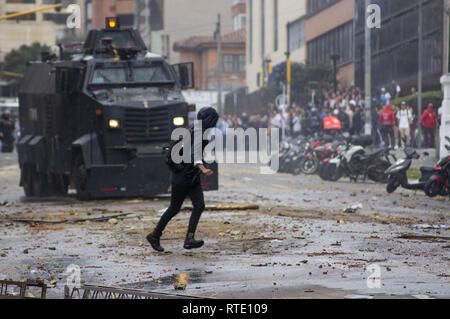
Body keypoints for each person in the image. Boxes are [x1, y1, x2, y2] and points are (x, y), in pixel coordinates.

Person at [146, 107, 219, 252]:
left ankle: (189, 238)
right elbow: (193, 155)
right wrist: (203, 168)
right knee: (174, 208)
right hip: (183, 176)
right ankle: (154, 235)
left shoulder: (195, 128)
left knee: (199, 205)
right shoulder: (199, 132)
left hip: (190, 176)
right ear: (210, 120)